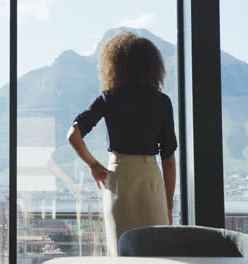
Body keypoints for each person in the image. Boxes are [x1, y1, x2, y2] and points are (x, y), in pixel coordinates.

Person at [66, 32, 177, 256]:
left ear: (114, 64)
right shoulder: (162, 102)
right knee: (156, 253)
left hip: (119, 178)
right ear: (153, 67)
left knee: (121, 250)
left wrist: (94, 165)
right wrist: (167, 202)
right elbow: (169, 161)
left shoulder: (109, 98)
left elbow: (73, 135)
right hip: (150, 180)